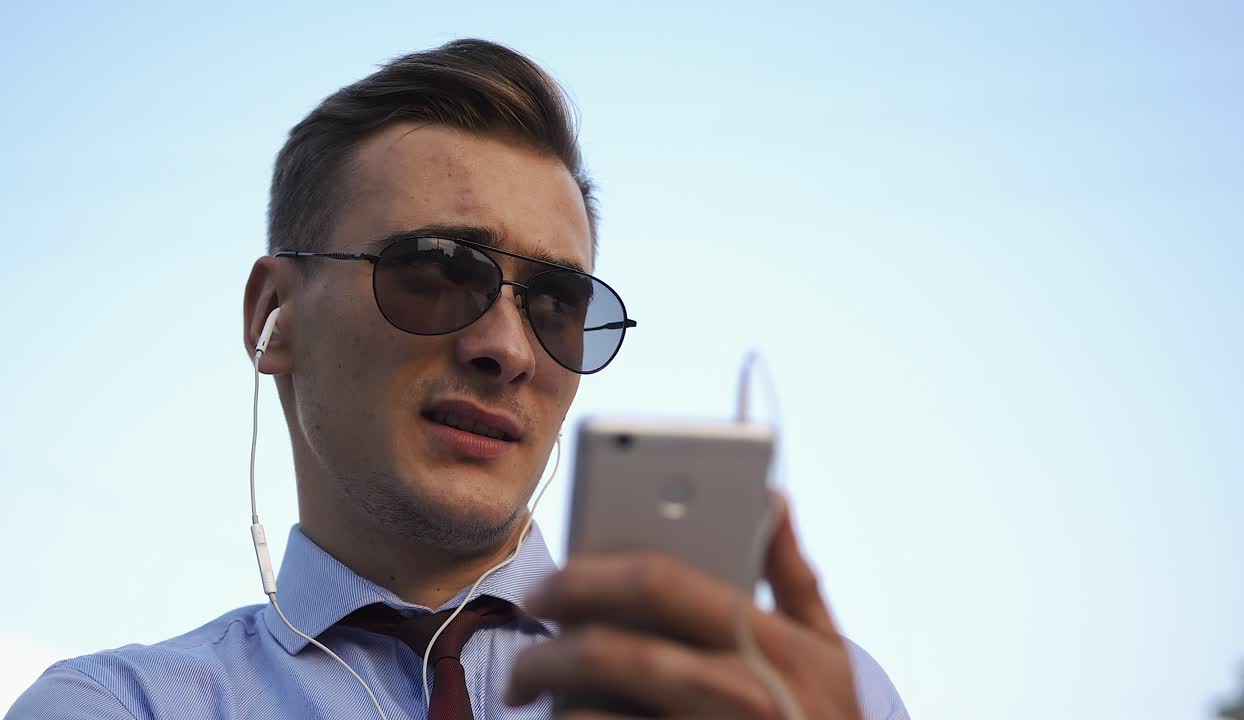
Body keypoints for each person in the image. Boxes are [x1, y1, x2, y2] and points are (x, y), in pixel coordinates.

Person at [7, 39, 909, 720]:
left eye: (557, 302)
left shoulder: (798, 697)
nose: (507, 347)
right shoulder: (121, 706)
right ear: (272, 316)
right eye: (437, 270)